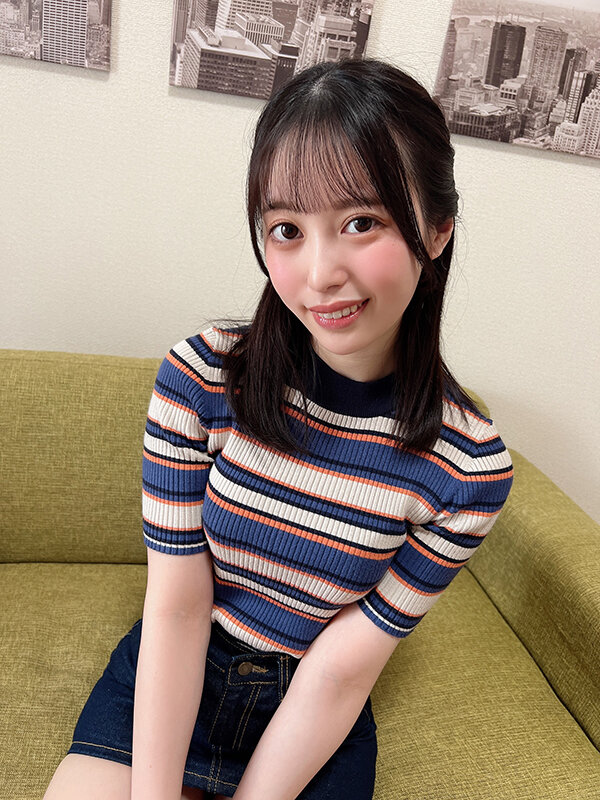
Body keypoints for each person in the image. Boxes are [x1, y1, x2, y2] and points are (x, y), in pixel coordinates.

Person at [43, 59, 513, 800]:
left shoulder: (468, 469)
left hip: (311, 713)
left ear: (437, 228)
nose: (320, 273)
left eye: (361, 222)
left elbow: (341, 671)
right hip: (177, 671)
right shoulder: (200, 379)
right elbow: (177, 607)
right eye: (287, 230)